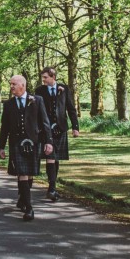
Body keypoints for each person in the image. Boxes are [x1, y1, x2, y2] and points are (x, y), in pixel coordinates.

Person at [0, 75, 53, 221]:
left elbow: (45, 122)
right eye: (10, 84)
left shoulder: (37, 100)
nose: (11, 87)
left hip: (34, 142)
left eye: (14, 84)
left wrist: (49, 142)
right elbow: (5, 127)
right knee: (22, 173)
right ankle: (29, 208)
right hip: (16, 143)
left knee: (29, 174)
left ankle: (23, 198)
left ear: (23, 85)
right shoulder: (8, 104)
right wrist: (1, 146)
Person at [34, 67, 80, 201]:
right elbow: (36, 111)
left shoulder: (64, 89)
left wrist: (75, 127)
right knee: (50, 156)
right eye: (42, 78)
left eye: (45, 78)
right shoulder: (39, 91)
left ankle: (52, 186)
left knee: (56, 158)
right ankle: (52, 188)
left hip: (61, 128)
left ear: (53, 77)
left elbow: (71, 108)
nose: (43, 80)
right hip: (46, 129)